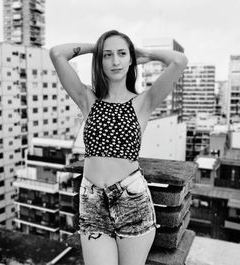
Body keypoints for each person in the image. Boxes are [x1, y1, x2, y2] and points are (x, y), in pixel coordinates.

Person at [50, 30, 188, 265]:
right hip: (92, 201)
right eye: (108, 55)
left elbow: (179, 61)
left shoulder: (144, 101)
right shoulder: (87, 99)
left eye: (122, 54)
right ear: (100, 61)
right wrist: (97, 46)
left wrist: (143, 52)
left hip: (131, 202)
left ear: (130, 59)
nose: (115, 61)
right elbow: (57, 54)